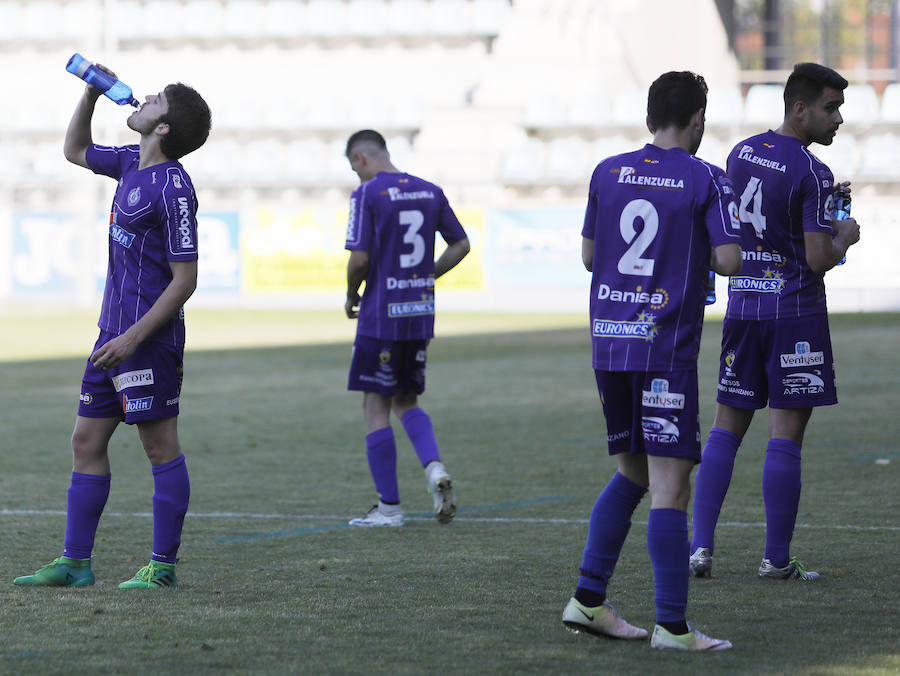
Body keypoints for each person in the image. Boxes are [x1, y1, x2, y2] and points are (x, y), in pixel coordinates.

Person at [561, 71, 742, 651]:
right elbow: (731, 261)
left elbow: (591, 256)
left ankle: (588, 601)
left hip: (610, 343)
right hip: (663, 346)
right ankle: (672, 626)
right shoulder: (705, 178)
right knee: (671, 486)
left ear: (648, 118)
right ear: (698, 119)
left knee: (633, 472)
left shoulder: (607, 171)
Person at [14, 66, 211, 589]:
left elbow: (185, 279)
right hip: (111, 335)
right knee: (85, 440)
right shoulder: (128, 163)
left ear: (163, 128)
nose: (144, 99)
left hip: (145, 339)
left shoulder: (174, 188)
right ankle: (76, 563)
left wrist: (134, 337)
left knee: (158, 447)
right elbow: (74, 149)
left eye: (155, 101)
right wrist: (90, 93)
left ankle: (162, 567)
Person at [689, 63, 860, 582]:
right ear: (800, 108)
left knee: (725, 430)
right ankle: (775, 559)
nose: (839, 119)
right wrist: (845, 236)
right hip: (795, 316)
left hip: (744, 307)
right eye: (831, 108)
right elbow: (815, 257)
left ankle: (700, 550)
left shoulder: (739, 153)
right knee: (785, 438)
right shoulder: (812, 172)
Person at [343, 129, 470, 527]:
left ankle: (389, 508)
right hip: (418, 311)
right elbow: (461, 245)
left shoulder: (367, 194)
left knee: (374, 405)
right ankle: (434, 470)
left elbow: (359, 259)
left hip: (381, 313)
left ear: (361, 159)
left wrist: (351, 294)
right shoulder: (429, 190)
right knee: (406, 401)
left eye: (353, 168)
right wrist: (425, 276)